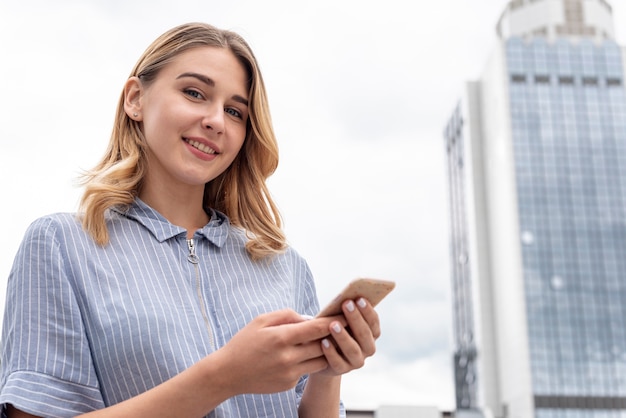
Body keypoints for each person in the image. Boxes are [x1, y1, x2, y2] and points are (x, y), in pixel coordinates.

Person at [0, 22, 381, 418]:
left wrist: (328, 370)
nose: (216, 120)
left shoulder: (286, 267)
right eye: (194, 93)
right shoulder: (61, 245)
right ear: (135, 98)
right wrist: (224, 376)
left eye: (235, 111)